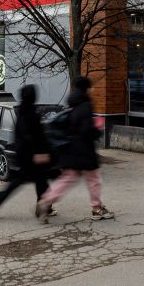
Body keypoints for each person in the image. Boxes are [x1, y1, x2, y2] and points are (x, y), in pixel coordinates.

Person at [36, 76, 115, 221]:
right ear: (86, 89)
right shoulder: (85, 105)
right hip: (84, 151)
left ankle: (45, 201)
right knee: (94, 180)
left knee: (67, 180)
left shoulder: (72, 104)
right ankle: (97, 209)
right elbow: (86, 130)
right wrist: (96, 129)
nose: (92, 90)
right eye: (90, 87)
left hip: (70, 150)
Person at [0, 85, 53, 215]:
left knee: (25, 180)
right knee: (40, 181)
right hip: (32, 154)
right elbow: (36, 136)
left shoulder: (22, 111)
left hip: (23, 154)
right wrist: (40, 152)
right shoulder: (32, 114)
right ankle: (44, 207)